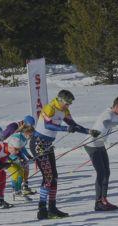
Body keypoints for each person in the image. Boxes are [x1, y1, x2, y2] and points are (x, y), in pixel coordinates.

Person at [29, 89, 98, 219]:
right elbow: (48, 125)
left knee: (54, 177)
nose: (68, 105)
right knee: (48, 176)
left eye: (70, 103)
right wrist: (65, 128)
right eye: (67, 103)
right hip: (38, 144)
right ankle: (42, 210)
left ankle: (52, 207)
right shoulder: (50, 108)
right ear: (60, 100)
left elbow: (73, 124)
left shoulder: (64, 110)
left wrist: (88, 131)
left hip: (47, 144)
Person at [84, 97, 118, 211]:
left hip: (100, 144)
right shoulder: (107, 113)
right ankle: (98, 202)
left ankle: (104, 199)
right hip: (91, 145)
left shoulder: (115, 114)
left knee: (106, 172)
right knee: (101, 172)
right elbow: (106, 123)